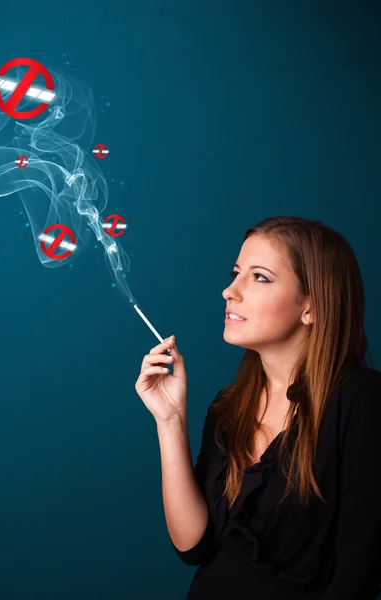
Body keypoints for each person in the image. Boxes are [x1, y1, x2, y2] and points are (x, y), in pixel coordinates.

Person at [135, 216, 381, 599]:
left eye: (259, 277)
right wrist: (170, 420)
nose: (229, 291)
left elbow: (357, 575)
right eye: (236, 273)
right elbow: (194, 547)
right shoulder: (229, 406)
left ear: (311, 306)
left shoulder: (362, 401)